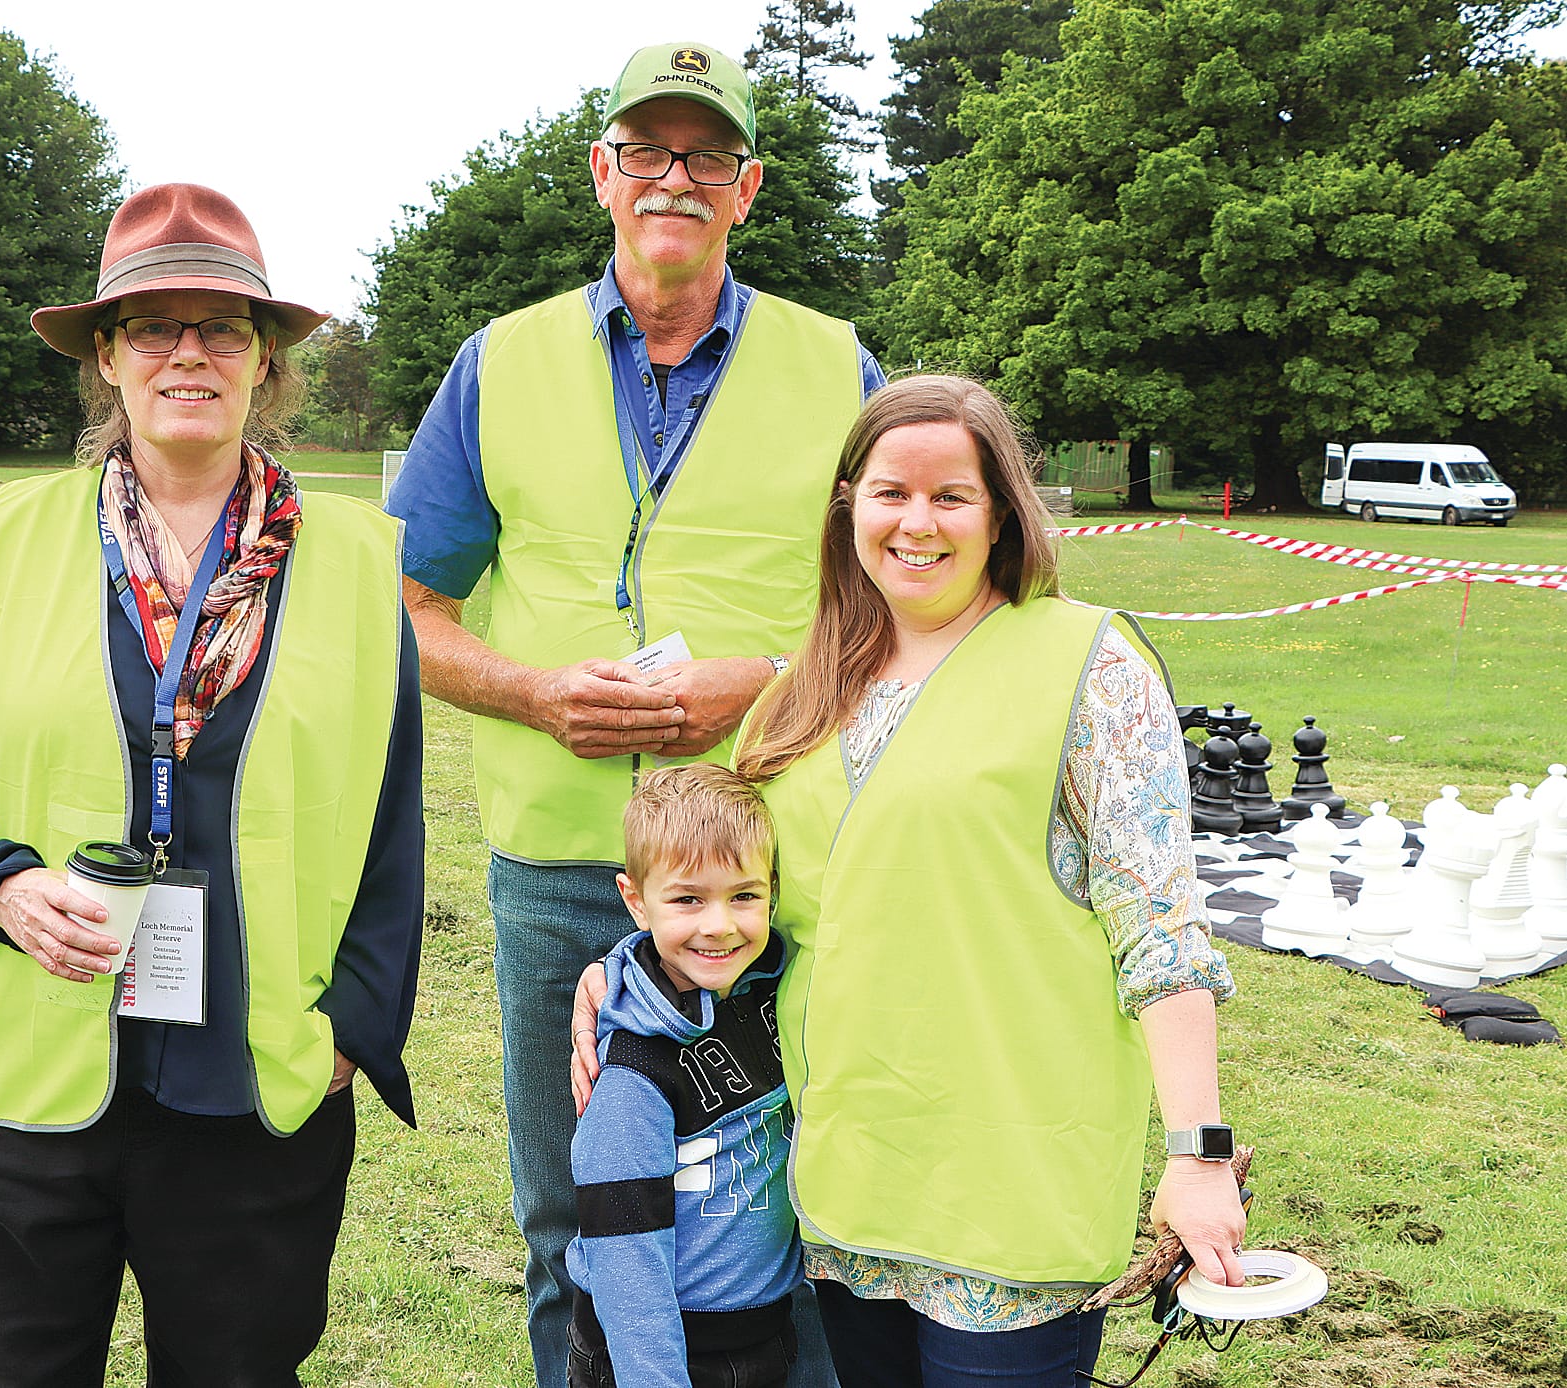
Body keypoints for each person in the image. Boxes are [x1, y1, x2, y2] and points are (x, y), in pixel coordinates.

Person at [577, 375, 1246, 1386]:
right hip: (847, 1192)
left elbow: (1159, 926)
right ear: (848, 504)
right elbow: (734, 891)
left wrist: (1197, 1151)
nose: (916, 521)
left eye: (950, 495)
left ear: (1000, 514)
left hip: (1009, 1192)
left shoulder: (1088, 665)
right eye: (889, 492)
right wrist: (630, 968)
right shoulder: (800, 690)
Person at [0, 183, 425, 1387]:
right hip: (18, 1065)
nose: (188, 353)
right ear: (108, 357)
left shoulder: (359, 561)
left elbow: (390, 816)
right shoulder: (1, 533)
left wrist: (348, 1036)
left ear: (264, 364)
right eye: (154, 325)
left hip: (252, 1079)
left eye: (221, 327)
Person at [385, 38, 881, 1385]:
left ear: (748, 187)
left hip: (773, 875)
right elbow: (406, 611)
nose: (675, 177)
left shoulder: (841, 373)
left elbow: (905, 613)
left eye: (706, 155)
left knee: (805, 1213)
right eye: (647, 152)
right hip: (559, 871)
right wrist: (533, 692)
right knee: (573, 1225)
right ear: (603, 172)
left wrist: (767, 687)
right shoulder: (499, 363)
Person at [567, 765, 800, 1388]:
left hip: (765, 1335)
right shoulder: (631, 1078)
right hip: (656, 1357)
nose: (719, 924)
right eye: (688, 899)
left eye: (744, 896)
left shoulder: (775, 987)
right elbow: (626, 1262)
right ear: (635, 900)